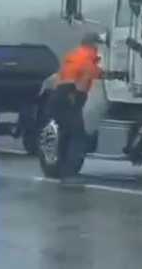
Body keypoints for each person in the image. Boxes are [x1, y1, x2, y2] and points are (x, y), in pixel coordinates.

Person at [47, 31, 103, 179]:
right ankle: (70, 173)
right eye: (98, 44)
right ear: (93, 44)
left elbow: (91, 72)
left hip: (58, 96)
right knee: (78, 136)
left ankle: (62, 169)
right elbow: (83, 78)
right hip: (70, 97)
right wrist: (74, 97)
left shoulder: (76, 55)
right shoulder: (87, 58)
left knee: (66, 134)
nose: (99, 47)